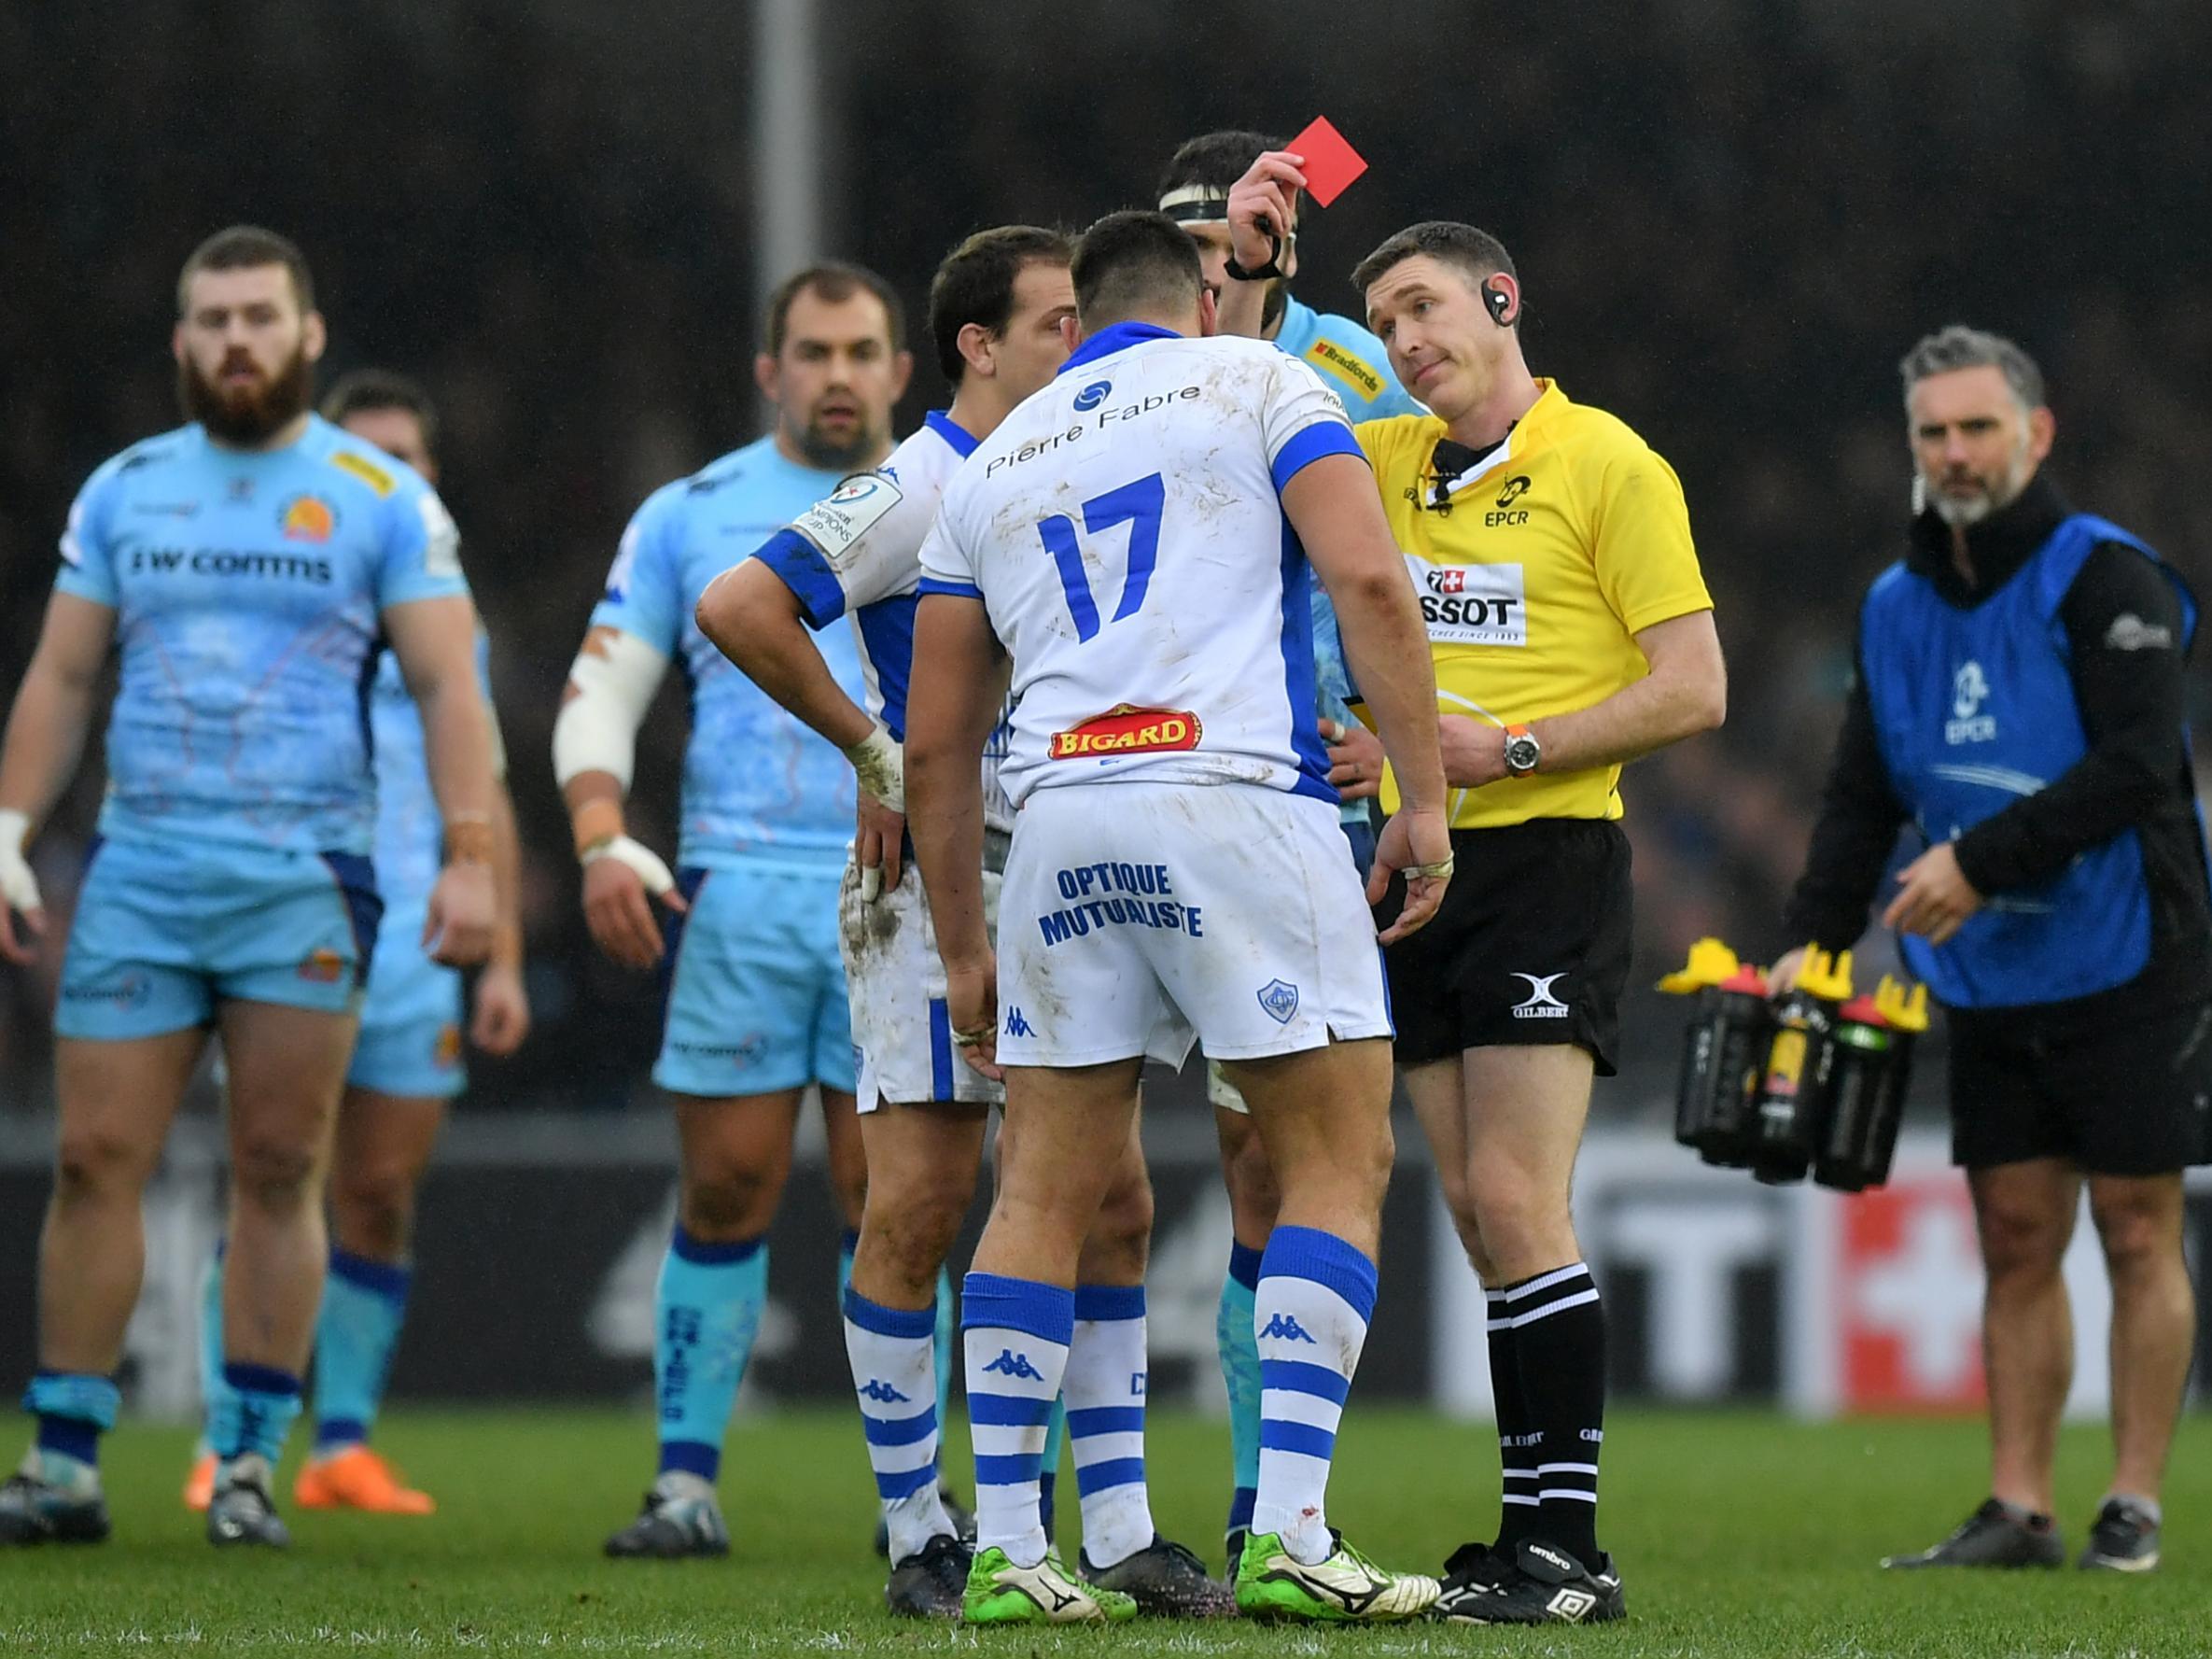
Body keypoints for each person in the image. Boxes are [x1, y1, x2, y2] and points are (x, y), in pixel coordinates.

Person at [904, 208, 1454, 1625]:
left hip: (1062, 828)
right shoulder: (1266, 382)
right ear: (1207, 298)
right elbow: (1368, 579)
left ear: (1075, 321)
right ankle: (1286, 1530)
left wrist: (963, 946)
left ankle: (1013, 1556)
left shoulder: (998, 457)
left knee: (1039, 1193)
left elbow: (934, 746)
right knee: (1335, 1157)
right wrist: (1423, 794)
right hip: (1233, 801)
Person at [697, 227, 1226, 1619]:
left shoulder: (1072, 458)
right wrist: (878, 753)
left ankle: (1113, 1524)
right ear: (976, 346)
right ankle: (918, 1528)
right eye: (1054, 323)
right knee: (920, 1203)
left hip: (1067, 872)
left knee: (1112, 1202)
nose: (1081, 344)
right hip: (942, 884)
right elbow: (740, 604)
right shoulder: (916, 480)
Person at [1239, 196, 1724, 1623]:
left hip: (1546, 862)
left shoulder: (1606, 463)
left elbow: (1692, 686)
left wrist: (1492, 748)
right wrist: (1260, 251)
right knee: (1470, 1206)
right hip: (1414, 870)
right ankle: (1534, 1541)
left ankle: (1567, 1551)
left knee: (1517, 1198)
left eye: (1426, 312)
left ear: (1500, 303)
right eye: (1384, 323)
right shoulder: (1380, 455)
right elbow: (1231, 357)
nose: (1403, 341)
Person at [0, 227, 497, 1550]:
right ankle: (62, 1464)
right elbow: (60, 676)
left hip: (304, 877)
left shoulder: (378, 493)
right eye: (212, 319)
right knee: (95, 1156)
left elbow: (451, 686)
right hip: (143, 869)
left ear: (306, 335)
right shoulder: (125, 491)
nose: (236, 340)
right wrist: (7, 822)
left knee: (280, 1167)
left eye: (258, 318)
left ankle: (246, 1465)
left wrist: (472, 855)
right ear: (180, 342)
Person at [1779, 325, 2207, 1576]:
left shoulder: (2106, 578)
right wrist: (1808, 946)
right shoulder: (1892, 605)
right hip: (1994, 967)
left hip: (2132, 949)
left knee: (2136, 1226)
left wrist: (1977, 862)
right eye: (1931, 433)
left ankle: (2129, 1501)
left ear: (2036, 432)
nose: (1954, 454)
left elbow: (2136, 766)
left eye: (1975, 428)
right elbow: (1860, 796)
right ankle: (2017, 1506)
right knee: (2014, 1231)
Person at [553, 263, 904, 1560]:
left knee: (899, 1204)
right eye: (811, 351)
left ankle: (912, 1500)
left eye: (860, 350)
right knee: (724, 1187)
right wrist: (600, 837)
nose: (836, 374)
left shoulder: (950, 490)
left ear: (898, 370)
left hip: (909, 890)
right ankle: (683, 1487)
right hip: (742, 889)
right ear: (771, 371)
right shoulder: (688, 514)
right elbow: (600, 697)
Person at [183, 371, 532, 1518]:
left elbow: (482, 781)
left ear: (429, 476)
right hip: (290, 928)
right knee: (269, 1180)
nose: (387, 471)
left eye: (407, 456)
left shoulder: (450, 619)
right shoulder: (286, 602)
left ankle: (342, 1445)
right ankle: (229, 1434)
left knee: (378, 1193)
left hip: (416, 950)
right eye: (364, 452)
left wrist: (508, 958)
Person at [1156, 129, 1424, 1577]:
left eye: (1245, 229)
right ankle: (1265, 1502)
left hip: (1345, 793)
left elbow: (1412, 559)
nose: (1222, 251)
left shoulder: (1358, 367)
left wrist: (1407, 748)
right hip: (1208, 794)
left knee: (1344, 1155)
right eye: (1194, 232)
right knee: (1261, 1173)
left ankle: (1293, 1501)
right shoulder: (1135, 358)